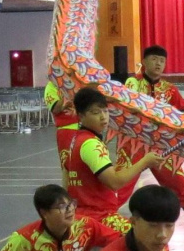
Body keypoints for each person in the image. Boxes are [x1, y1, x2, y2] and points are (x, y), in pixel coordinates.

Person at [122, 45, 184, 236]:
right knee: (120, 184)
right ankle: (101, 220)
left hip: (161, 147)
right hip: (133, 145)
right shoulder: (131, 83)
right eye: (154, 59)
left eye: (162, 60)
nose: (158, 63)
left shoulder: (169, 90)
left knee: (179, 183)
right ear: (145, 61)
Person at [61, 86, 161, 232]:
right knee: (147, 235)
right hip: (99, 218)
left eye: (105, 111)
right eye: (96, 112)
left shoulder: (75, 140)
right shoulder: (91, 144)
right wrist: (145, 161)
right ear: (81, 116)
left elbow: (66, 182)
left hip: (81, 215)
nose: (103, 117)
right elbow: (114, 182)